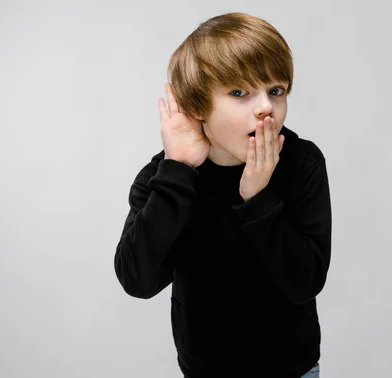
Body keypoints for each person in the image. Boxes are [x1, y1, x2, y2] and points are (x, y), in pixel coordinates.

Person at [114, 12, 332, 378]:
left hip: (292, 369)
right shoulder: (164, 176)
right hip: (204, 369)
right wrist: (178, 172)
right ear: (198, 105)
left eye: (275, 91)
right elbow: (138, 280)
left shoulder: (302, 162)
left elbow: (306, 282)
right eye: (239, 93)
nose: (266, 106)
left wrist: (258, 199)